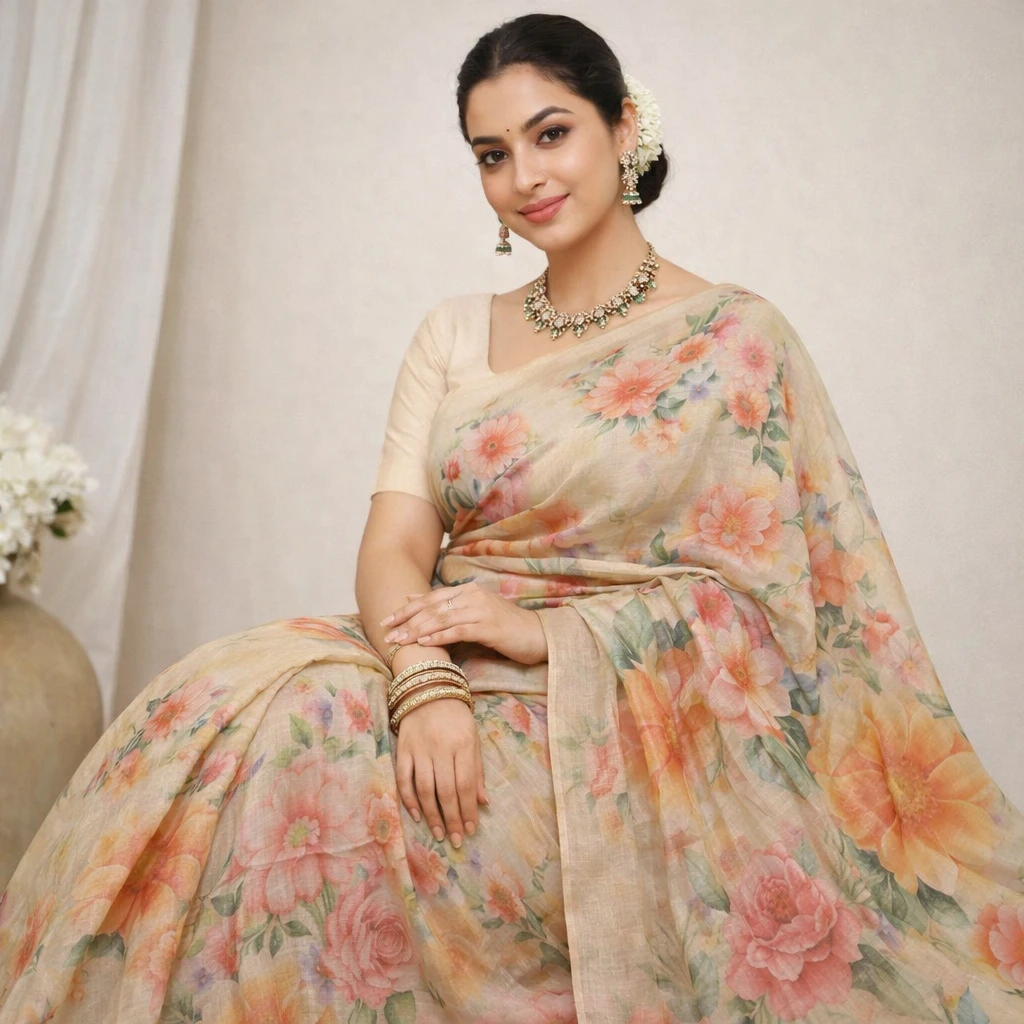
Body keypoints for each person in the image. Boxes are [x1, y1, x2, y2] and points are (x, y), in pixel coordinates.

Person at [1, 11, 1022, 1023]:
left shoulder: (736, 340)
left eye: (551, 134)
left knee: (311, 746)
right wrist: (425, 681)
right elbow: (397, 543)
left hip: (614, 713)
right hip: (435, 658)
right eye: (492, 155)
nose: (524, 177)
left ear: (623, 128)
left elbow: (782, 620)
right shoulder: (454, 333)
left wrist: (547, 635)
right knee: (237, 709)